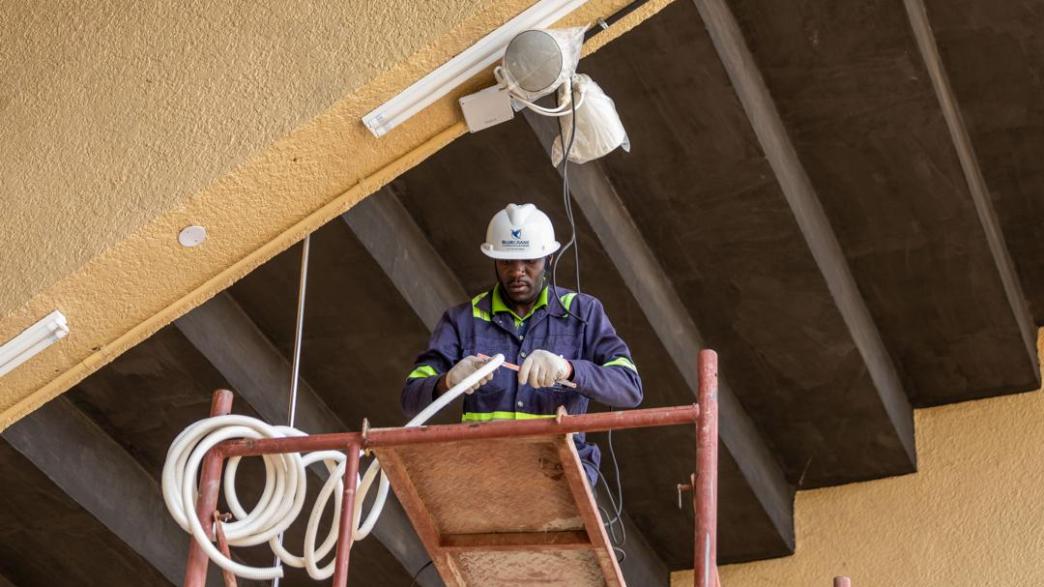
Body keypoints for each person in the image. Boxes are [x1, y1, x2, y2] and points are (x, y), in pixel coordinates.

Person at [401, 203, 643, 485]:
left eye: (529, 261)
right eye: (506, 262)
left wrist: (568, 369)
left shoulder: (582, 312)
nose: (517, 272)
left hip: (558, 472)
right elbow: (410, 401)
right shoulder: (462, 320)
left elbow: (629, 388)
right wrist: (447, 382)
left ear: (549, 258)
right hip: (483, 473)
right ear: (494, 260)